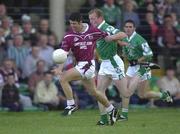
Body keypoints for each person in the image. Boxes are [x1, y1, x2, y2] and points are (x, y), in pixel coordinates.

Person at [52, 12, 122, 125]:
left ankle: (71, 105)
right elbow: (63, 54)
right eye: (70, 24)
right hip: (80, 65)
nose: (72, 26)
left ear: (80, 22)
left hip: (88, 65)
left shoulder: (93, 30)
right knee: (94, 92)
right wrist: (59, 68)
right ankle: (112, 110)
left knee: (63, 78)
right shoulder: (68, 36)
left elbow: (107, 37)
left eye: (74, 23)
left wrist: (119, 40)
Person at [119, 19, 173, 120]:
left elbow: (149, 54)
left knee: (142, 95)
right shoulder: (124, 38)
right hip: (132, 67)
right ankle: (124, 115)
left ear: (134, 28)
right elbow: (125, 53)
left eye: (130, 27)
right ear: (124, 28)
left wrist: (138, 60)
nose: (128, 28)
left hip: (143, 66)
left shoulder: (140, 39)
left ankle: (163, 95)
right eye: (126, 27)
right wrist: (124, 57)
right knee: (125, 90)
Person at [88, 8, 130, 125]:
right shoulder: (95, 30)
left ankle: (124, 115)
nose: (92, 21)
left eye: (93, 19)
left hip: (114, 63)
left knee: (124, 93)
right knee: (98, 92)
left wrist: (111, 37)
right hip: (104, 64)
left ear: (100, 18)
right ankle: (104, 119)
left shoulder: (107, 28)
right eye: (90, 19)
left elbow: (123, 34)